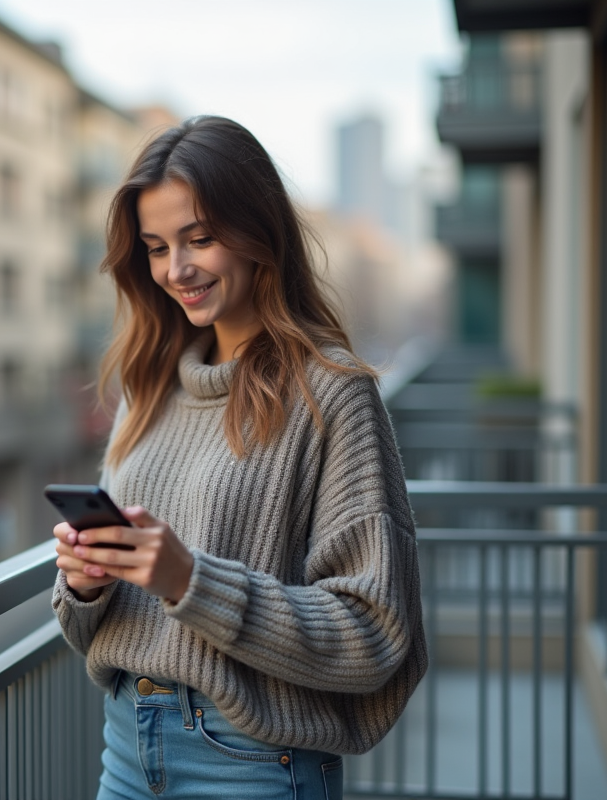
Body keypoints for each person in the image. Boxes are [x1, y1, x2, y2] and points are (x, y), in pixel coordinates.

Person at [52, 116, 427, 800]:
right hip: (125, 748)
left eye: (200, 239)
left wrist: (190, 578)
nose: (177, 269)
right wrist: (85, 585)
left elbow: (374, 632)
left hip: (251, 763)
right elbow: (97, 626)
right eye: (158, 247)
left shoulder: (332, 394)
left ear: (260, 235)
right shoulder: (148, 390)